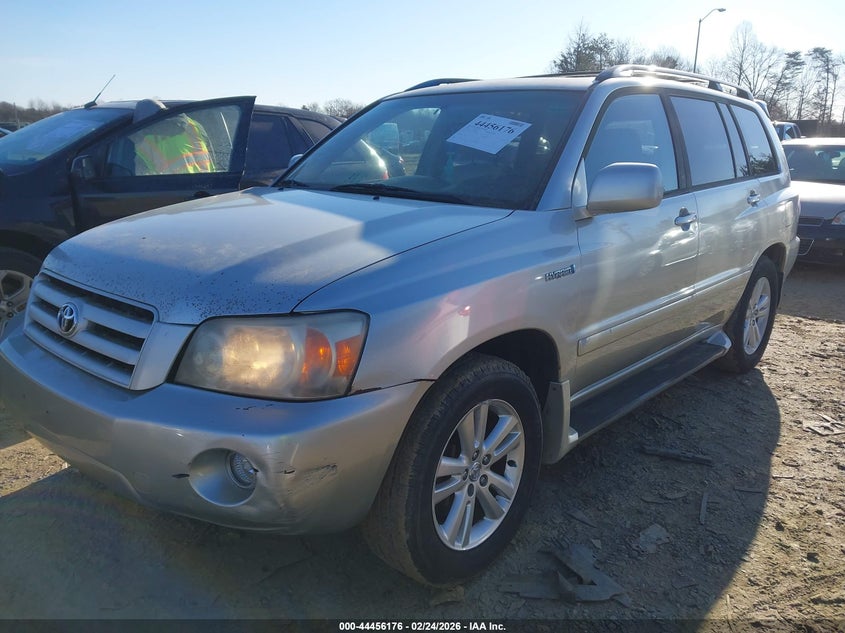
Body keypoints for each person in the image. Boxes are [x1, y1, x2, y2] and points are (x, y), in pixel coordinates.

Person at [132, 114, 214, 175]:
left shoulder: (141, 138)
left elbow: (140, 176)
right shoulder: (194, 125)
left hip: (175, 189)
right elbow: (212, 154)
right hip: (211, 185)